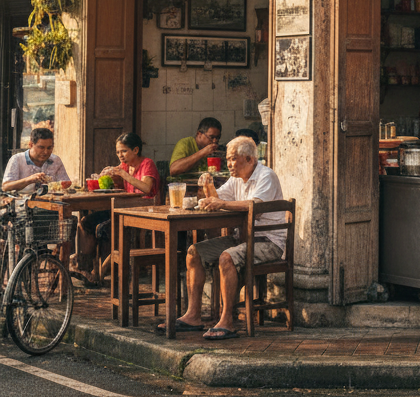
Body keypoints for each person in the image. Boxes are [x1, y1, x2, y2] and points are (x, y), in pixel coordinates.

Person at [164, 136, 286, 341]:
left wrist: (219, 204)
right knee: (194, 252)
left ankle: (227, 320)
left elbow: (252, 207)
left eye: (232, 159)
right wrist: (209, 187)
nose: (228, 164)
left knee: (226, 258)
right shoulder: (237, 178)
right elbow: (219, 198)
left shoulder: (266, 176)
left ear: (249, 159)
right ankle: (193, 315)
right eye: (228, 160)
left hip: (268, 242)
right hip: (242, 238)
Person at [71, 132, 159, 287]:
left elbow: (146, 188)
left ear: (136, 150)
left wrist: (122, 174)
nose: (120, 155)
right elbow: (115, 175)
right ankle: (84, 267)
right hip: (123, 209)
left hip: (142, 211)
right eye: (118, 152)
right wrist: (104, 175)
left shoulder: (147, 163)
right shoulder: (124, 166)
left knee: (109, 228)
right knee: (86, 222)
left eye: (124, 151)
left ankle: (99, 272)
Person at [1, 128, 69, 193]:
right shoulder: (17, 159)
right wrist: (29, 180)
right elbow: (5, 187)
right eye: (41, 147)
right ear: (31, 145)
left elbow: (65, 184)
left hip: (50, 201)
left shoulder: (56, 160)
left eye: (49, 148)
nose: (45, 152)